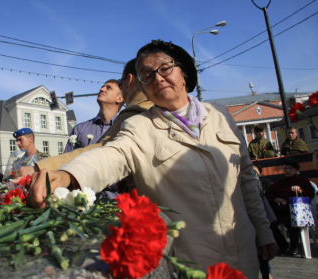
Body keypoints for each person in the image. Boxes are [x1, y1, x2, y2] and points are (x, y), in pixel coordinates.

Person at [27, 40, 276, 278]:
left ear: (184, 73)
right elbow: (111, 155)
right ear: (143, 87)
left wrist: (263, 232)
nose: (158, 77)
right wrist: (68, 175)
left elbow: (245, 178)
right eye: (147, 75)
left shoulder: (221, 115)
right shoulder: (140, 126)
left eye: (165, 68)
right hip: (191, 261)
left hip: (244, 253)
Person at [14, 58, 153, 185]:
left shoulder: (135, 114)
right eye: (102, 86)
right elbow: (69, 155)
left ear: (128, 81)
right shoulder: (81, 128)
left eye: (111, 87)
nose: (101, 89)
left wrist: (42, 167)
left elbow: (103, 149)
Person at [265, 160, 315, 256]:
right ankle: (283, 245)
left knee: (291, 222)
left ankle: (294, 247)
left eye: (290, 168)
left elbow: (310, 194)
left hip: (298, 212)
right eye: (285, 169)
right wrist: (275, 199)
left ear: (296, 170)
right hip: (280, 210)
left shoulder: (303, 181)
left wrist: (300, 190)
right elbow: (269, 194)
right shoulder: (279, 183)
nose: (287, 171)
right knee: (270, 223)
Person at [64, 79, 124, 152]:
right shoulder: (79, 129)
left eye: (108, 88)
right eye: (102, 87)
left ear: (119, 98)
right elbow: (66, 159)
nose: (101, 89)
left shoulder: (124, 128)